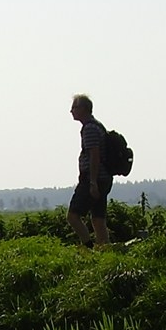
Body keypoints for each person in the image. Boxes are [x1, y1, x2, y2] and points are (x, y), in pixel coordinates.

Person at [67, 94, 114, 248]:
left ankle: (89, 248)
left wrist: (92, 182)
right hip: (104, 178)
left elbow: (95, 155)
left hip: (93, 179)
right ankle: (105, 251)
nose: (71, 111)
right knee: (98, 219)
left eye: (75, 107)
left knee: (73, 216)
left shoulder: (90, 129)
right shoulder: (97, 126)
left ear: (84, 109)